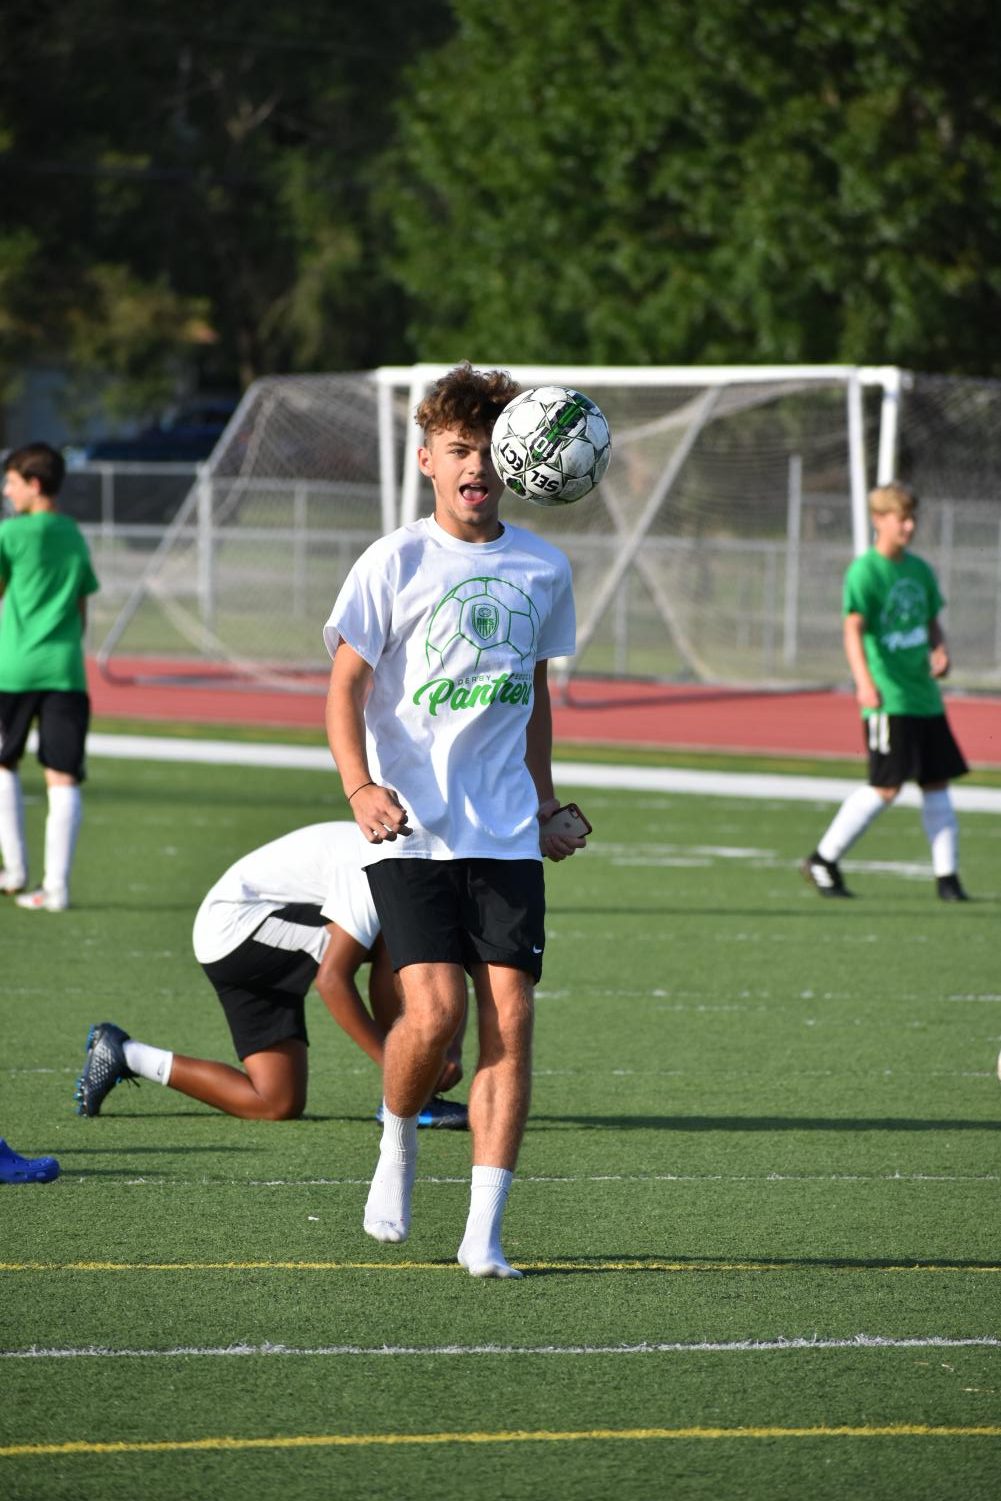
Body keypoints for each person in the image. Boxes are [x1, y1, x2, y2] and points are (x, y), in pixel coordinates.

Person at [324, 361, 586, 1279]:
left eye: (490, 449)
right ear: (429, 459)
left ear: (516, 462)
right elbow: (345, 687)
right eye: (459, 448)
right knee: (429, 1012)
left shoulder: (543, 567)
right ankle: (395, 1141)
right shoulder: (392, 559)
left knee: (508, 1021)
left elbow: (535, 698)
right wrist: (361, 786)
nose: (476, 463)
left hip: (505, 830)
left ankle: (484, 1234)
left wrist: (548, 804)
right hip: (415, 828)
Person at [74, 821, 467, 1125]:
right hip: (239, 929)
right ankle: (411, 1094)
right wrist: (402, 1068)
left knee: (276, 1101)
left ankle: (125, 1053)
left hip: (229, 937)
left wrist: (450, 1049)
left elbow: (446, 958)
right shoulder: (377, 860)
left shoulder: (408, 865)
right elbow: (332, 980)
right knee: (395, 942)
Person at [802, 481, 969, 901]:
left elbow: (931, 620)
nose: (910, 526)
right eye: (902, 519)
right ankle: (824, 858)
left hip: (924, 696)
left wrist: (940, 650)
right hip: (888, 695)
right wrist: (864, 682)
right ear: (879, 520)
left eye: (913, 519)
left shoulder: (920, 570)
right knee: (887, 786)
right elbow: (852, 630)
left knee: (936, 783)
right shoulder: (866, 572)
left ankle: (947, 879)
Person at [0, 442, 99, 911]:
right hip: (65, 671)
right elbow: (81, 608)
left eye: (12, 481)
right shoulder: (74, 535)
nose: (6, 490)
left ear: (34, 485)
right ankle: (56, 888)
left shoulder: (10, 534)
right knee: (62, 776)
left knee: (4, 763)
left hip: (13, 669)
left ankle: (14, 871)